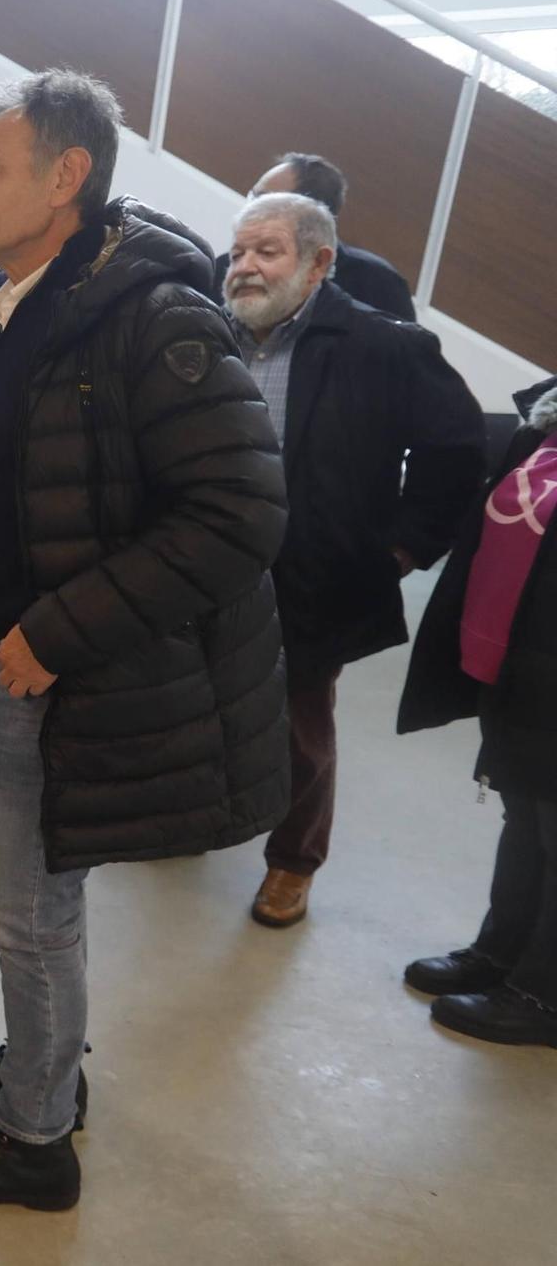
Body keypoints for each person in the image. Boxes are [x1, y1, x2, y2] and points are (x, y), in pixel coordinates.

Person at [0, 71, 289, 1212]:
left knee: (27, 912)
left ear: (65, 179)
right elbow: (12, 472)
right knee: (28, 911)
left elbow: (236, 516)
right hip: (6, 656)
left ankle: (32, 1141)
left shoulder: (150, 318)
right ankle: (38, 1071)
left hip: (66, 674)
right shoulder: (20, 298)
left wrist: (52, 635)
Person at [223, 192, 486, 928]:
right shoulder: (214, 334)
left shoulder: (384, 347)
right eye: (238, 251)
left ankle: (292, 862)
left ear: (319, 263)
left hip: (314, 574)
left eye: (266, 250)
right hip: (208, 566)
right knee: (199, 704)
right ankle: (201, 819)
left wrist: (400, 549)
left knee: (300, 727)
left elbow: (458, 452)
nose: (245, 267)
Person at [398, 374, 557, 1048]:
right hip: (522, 664)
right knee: (526, 810)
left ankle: (544, 996)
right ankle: (502, 954)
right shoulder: (544, 418)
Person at [210, 152, 416, 321]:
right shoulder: (223, 269)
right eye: (251, 196)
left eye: (262, 199)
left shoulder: (376, 282)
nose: (250, 207)